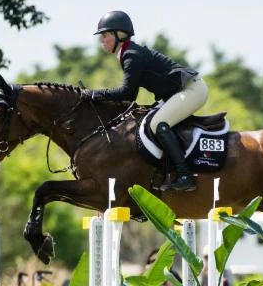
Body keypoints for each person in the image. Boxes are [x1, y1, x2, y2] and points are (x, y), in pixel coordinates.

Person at [85, 10, 208, 192]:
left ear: (119, 35)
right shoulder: (128, 52)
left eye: (105, 35)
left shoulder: (131, 55)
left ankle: (185, 175)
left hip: (191, 90)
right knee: (147, 120)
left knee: (158, 124)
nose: (102, 40)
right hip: (179, 92)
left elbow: (128, 93)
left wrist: (97, 94)